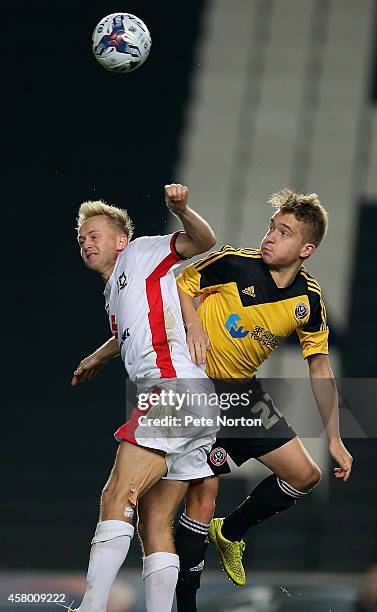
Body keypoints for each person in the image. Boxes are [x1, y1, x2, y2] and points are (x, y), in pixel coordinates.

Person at [169, 188, 354, 612]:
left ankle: (231, 532)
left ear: (306, 249)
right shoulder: (234, 261)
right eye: (272, 227)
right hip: (198, 387)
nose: (270, 237)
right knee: (204, 491)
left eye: (284, 232)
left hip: (242, 394)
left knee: (306, 475)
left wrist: (335, 440)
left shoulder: (309, 301)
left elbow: (320, 368)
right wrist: (194, 324)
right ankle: (186, 605)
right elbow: (178, 283)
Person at [69, 184, 218, 612]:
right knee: (154, 521)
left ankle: (91, 607)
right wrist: (95, 357)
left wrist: (183, 209)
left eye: (95, 234)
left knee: (117, 495)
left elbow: (204, 242)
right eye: (81, 237)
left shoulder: (142, 254)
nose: (86, 242)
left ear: (121, 240)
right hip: (195, 402)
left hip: (174, 391)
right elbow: (124, 334)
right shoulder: (114, 291)